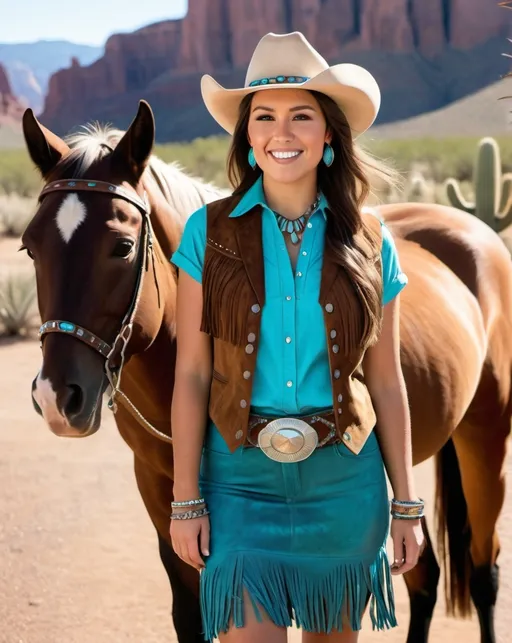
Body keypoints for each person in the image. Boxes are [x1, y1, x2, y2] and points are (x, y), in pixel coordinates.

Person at [169, 31, 425, 643]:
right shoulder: (207, 233)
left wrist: (407, 508)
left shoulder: (370, 237)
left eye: (301, 116)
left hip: (344, 484)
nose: (282, 133)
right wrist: (185, 500)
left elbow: (386, 381)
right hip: (238, 482)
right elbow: (192, 375)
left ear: (329, 134)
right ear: (248, 136)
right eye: (266, 117)